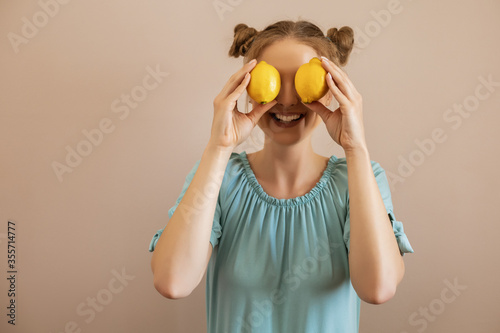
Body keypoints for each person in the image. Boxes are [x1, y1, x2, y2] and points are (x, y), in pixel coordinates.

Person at [149, 19, 414, 333]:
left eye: (302, 82)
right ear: (245, 86)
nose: (287, 100)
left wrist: (355, 147)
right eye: (273, 79)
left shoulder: (359, 180)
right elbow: (172, 282)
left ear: (331, 91)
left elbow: (378, 289)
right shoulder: (220, 177)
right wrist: (219, 148)